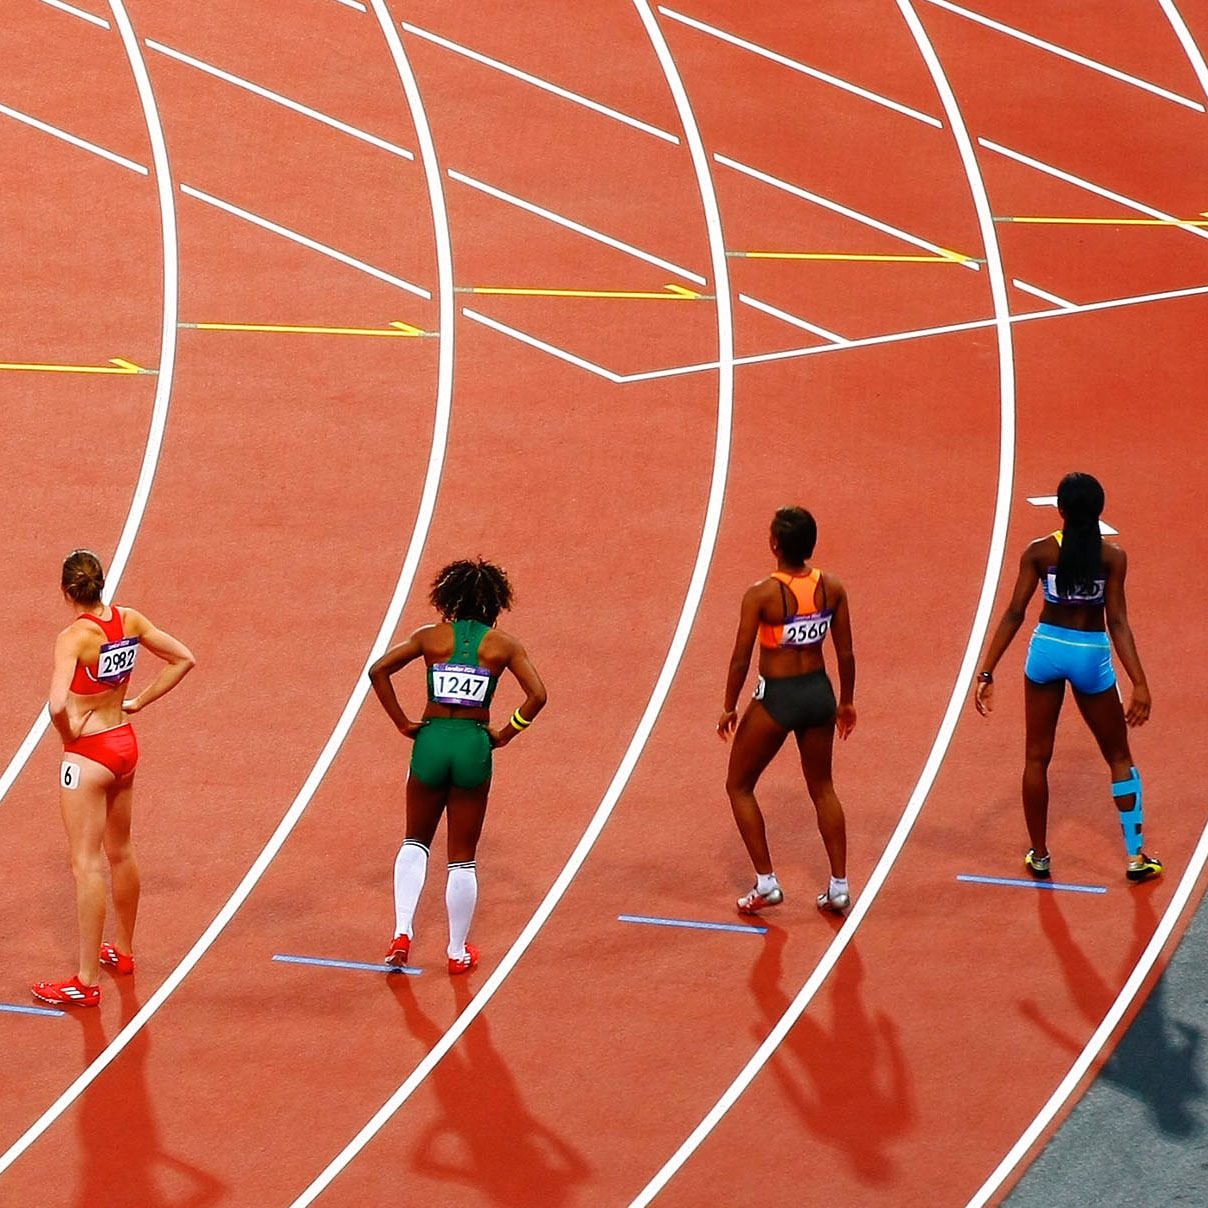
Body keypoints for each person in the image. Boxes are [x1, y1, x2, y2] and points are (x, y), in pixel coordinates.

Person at [974, 472, 1160, 882]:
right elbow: (1118, 623)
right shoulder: (1112, 557)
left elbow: (1014, 612)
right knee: (1118, 757)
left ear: (1060, 510)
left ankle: (1040, 855)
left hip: (1046, 651)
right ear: (1100, 510)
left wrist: (987, 670)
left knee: (1036, 758)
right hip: (1090, 654)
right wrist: (1139, 682)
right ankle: (1135, 858)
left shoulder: (1039, 552)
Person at [33, 550, 195, 1007]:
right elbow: (184, 658)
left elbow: (57, 705)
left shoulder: (73, 638)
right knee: (121, 851)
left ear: (66, 592)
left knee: (85, 864)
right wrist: (139, 701)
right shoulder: (129, 620)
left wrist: (68, 735)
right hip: (124, 744)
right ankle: (123, 951)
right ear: (101, 584)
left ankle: (86, 982)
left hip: (89, 755)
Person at [369, 558, 546, 974]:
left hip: (430, 741)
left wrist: (402, 722)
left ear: (447, 598)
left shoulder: (429, 637)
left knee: (415, 840)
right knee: (462, 857)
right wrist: (507, 732)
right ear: (495, 603)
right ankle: (455, 952)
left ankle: (401, 933)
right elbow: (537, 695)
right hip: (472, 744)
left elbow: (378, 671)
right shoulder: (504, 646)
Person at [719, 507, 856, 916]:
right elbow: (845, 653)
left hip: (778, 697)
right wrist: (846, 701)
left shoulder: (761, 595)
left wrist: (729, 706)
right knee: (823, 788)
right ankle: (839, 887)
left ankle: (766, 883)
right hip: (819, 693)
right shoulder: (832, 587)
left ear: (774, 544)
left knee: (739, 785)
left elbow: (741, 658)